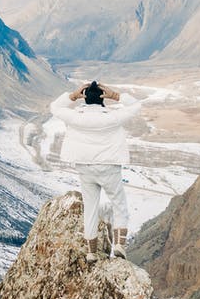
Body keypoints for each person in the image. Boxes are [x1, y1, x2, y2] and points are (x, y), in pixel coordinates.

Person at [49, 81, 140, 262]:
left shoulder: (76, 117)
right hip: (109, 167)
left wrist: (74, 95)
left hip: (85, 167)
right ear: (102, 98)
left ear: (85, 98)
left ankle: (91, 252)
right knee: (119, 204)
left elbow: (55, 107)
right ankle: (119, 244)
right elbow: (136, 106)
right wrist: (114, 95)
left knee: (90, 207)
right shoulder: (112, 117)